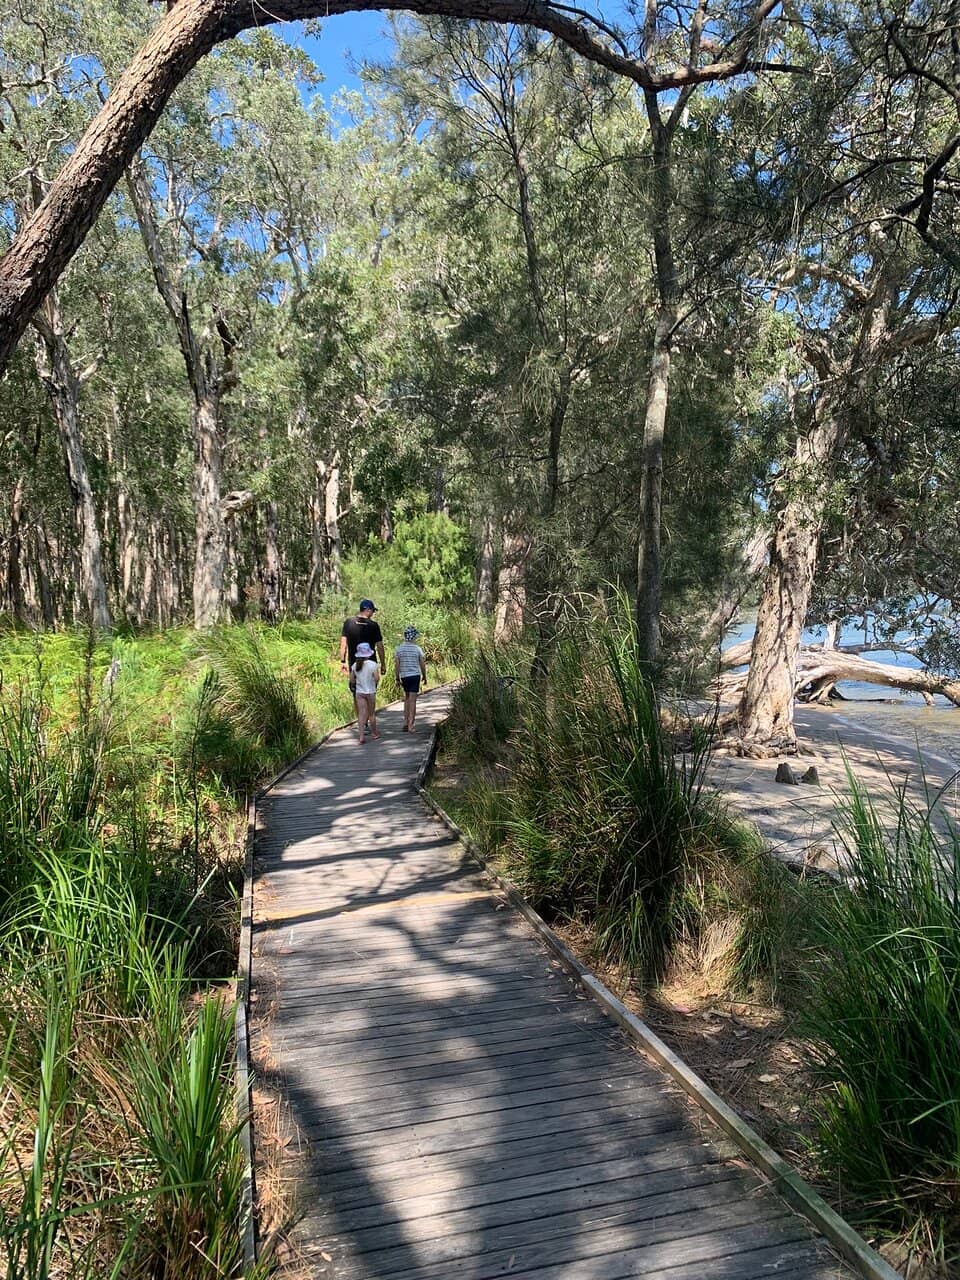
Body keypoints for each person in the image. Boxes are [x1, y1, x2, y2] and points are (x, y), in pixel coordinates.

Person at [340, 599, 386, 723]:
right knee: (369, 691)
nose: (373, 614)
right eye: (372, 611)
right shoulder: (373, 625)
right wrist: (383, 664)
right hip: (371, 664)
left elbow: (343, 643)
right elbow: (380, 646)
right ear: (368, 610)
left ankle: (362, 721)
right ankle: (367, 719)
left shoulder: (348, 623)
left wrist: (342, 661)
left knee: (356, 693)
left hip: (354, 664)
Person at [394, 626, 427, 732]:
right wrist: (424, 676)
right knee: (413, 700)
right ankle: (411, 725)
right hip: (414, 676)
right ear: (414, 637)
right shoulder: (417, 649)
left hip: (404, 676)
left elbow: (397, 665)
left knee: (407, 698)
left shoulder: (399, 649)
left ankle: (405, 722)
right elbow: (422, 663)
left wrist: (397, 678)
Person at [351, 643, 380, 744]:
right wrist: (374, 682)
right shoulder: (373, 664)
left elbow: (352, 680)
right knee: (371, 714)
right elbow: (377, 678)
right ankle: (374, 733)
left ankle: (361, 736)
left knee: (361, 714)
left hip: (359, 692)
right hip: (370, 691)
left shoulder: (355, 665)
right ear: (368, 654)